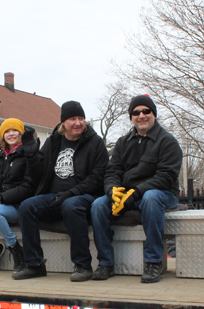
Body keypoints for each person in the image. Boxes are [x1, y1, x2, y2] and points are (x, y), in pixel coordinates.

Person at [13, 101, 109, 281]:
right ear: (63, 123)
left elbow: (98, 177)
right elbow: (37, 176)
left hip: (85, 196)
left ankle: (82, 265)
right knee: (27, 207)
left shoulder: (95, 142)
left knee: (71, 205)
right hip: (54, 196)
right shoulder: (53, 142)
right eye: (73, 119)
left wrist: (71, 193)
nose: (78, 123)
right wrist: (32, 155)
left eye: (81, 118)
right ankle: (34, 265)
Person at [91, 95, 182, 283]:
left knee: (151, 197)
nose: (141, 115)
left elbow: (165, 177)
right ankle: (106, 263)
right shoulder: (123, 142)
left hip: (162, 194)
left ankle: (153, 261)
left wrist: (135, 193)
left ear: (153, 114)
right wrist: (112, 191)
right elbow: (112, 171)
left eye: (146, 111)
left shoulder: (167, 141)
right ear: (131, 117)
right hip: (129, 196)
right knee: (98, 205)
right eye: (136, 112)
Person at [0, 118, 38, 272]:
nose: (11, 134)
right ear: (2, 135)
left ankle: (15, 247)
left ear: (21, 133)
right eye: (7, 131)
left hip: (19, 205)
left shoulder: (28, 154)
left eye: (15, 130)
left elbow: (28, 186)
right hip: (2, 201)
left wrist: (2, 198)